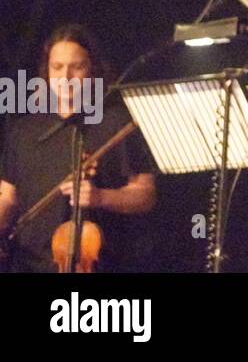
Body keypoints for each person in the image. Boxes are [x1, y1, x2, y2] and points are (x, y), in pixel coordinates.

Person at [0, 24, 157, 272]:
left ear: (92, 70)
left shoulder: (116, 122)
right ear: (47, 71)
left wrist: (101, 197)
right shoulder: (24, 129)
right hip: (26, 264)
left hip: (94, 265)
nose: (65, 77)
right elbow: (7, 197)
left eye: (77, 67)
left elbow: (145, 194)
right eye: (57, 67)